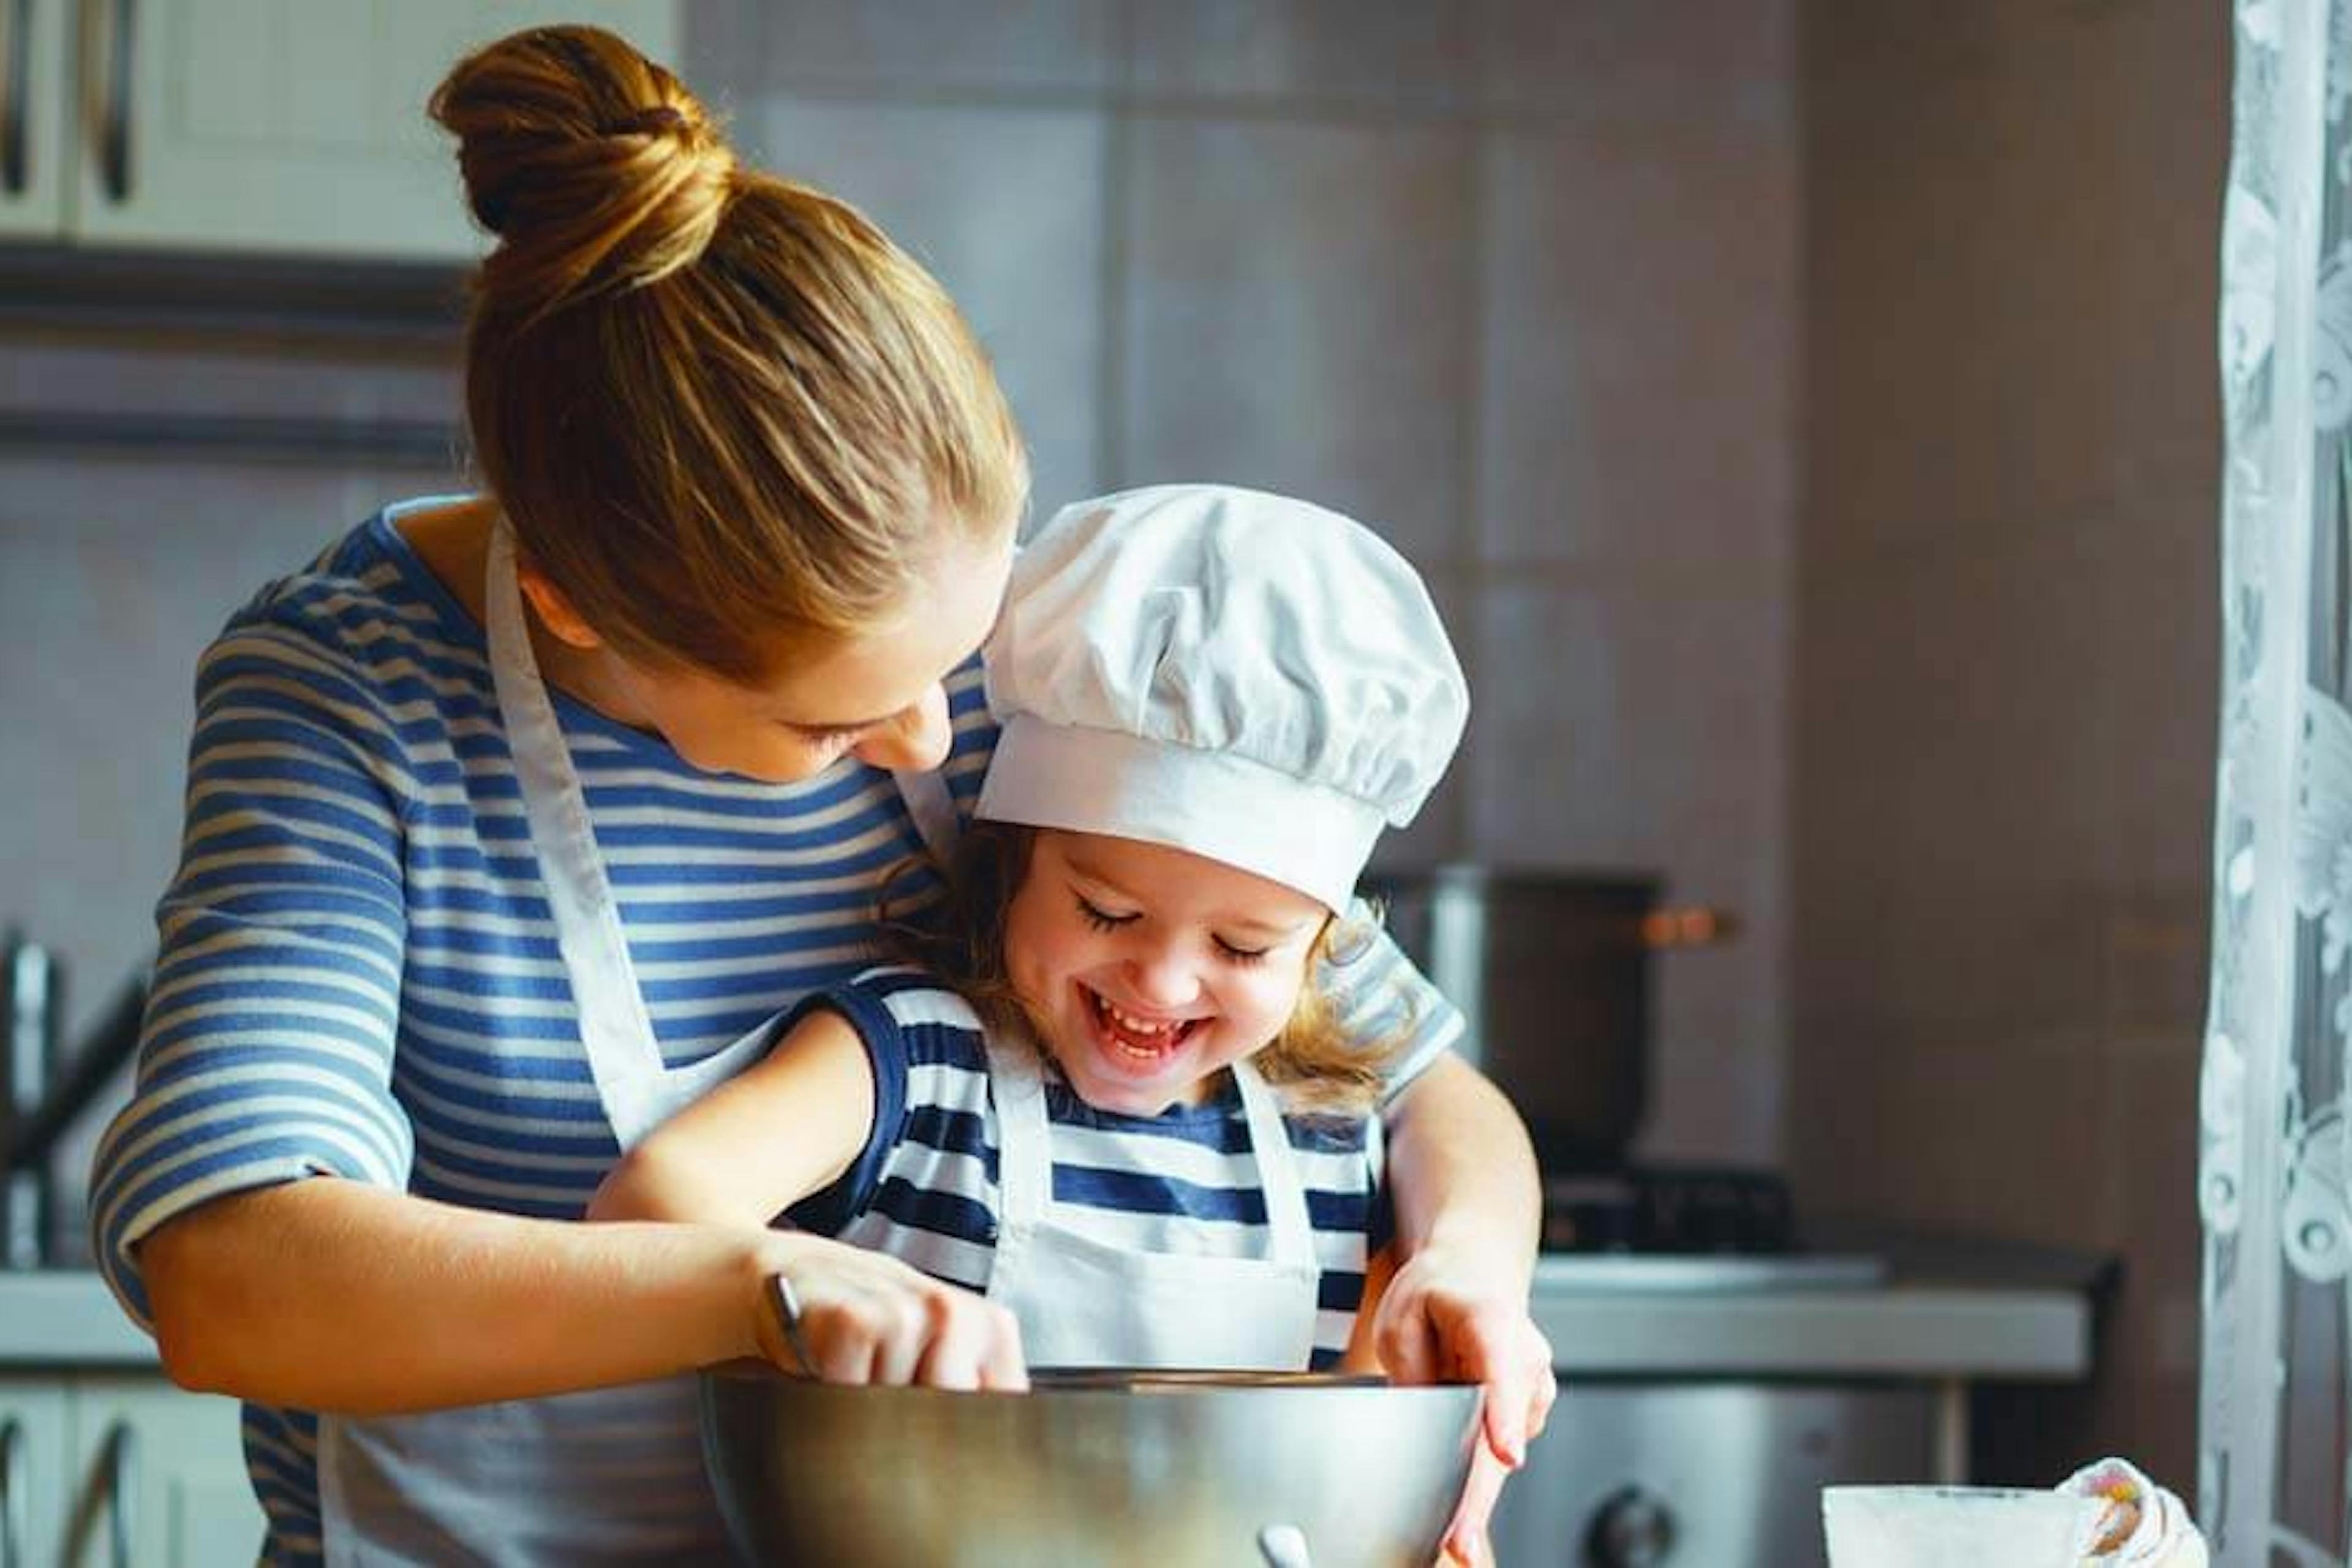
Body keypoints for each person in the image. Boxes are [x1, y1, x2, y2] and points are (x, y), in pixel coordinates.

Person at [84, 23, 1550, 1568]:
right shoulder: (352, 695)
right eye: (836, 721)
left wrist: (1466, 1261)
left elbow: (1416, 1081)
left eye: (958, 654)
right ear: (582, 606)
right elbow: (232, 1268)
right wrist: (748, 1283)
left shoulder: (1031, 668)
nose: (934, 740)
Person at [592, 484, 1542, 1398]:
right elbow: (655, 1200)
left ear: (1327, 950)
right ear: (1010, 868)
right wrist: (797, 1288)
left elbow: (1457, 1121)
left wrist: (1463, 1271)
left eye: (1245, 948)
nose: (1164, 982)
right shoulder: (914, 1062)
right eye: (1106, 913)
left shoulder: (1328, 1135)